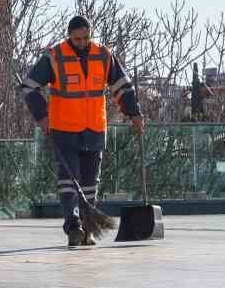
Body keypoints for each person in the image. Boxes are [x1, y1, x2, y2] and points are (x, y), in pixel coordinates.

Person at [19, 15, 145, 248]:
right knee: (68, 182)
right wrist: (42, 117)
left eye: (85, 37)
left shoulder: (104, 55)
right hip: (64, 129)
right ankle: (73, 226)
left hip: (95, 128)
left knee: (89, 184)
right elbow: (29, 87)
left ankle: (88, 229)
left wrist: (134, 113)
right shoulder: (55, 56)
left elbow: (122, 86)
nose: (81, 42)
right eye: (76, 38)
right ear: (69, 36)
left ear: (91, 34)